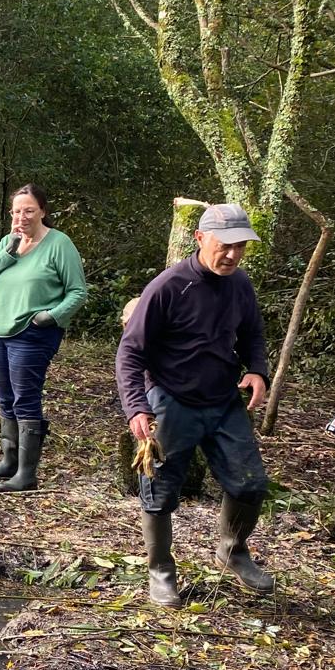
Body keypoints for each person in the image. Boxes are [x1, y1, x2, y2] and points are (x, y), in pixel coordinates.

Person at [116, 203, 273, 607]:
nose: (233, 255)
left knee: (250, 482)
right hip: (172, 400)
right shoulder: (168, 287)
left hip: (223, 400)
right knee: (159, 491)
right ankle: (161, 573)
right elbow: (130, 352)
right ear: (200, 238)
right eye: (225, 245)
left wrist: (257, 370)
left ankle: (233, 550)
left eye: (241, 247)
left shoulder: (240, 284)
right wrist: (136, 407)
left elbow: (253, 333)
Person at [0, 183, 87, 492]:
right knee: (5, 396)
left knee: (25, 398)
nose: (21, 217)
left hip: (32, 333)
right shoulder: (8, 243)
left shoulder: (59, 244)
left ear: (42, 212)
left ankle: (26, 473)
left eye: (28, 211)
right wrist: (11, 253)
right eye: (16, 212)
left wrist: (50, 317)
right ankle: (8, 461)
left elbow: (78, 292)